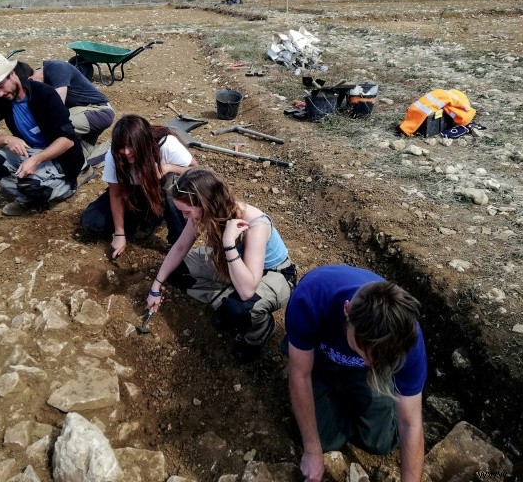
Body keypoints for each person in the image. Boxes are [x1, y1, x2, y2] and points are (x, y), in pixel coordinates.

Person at [284, 265, 427, 482]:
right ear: (347, 310)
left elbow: (410, 422)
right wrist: (312, 451)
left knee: (380, 442)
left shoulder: (406, 339)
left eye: (378, 358)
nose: (368, 362)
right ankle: (335, 402)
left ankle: (347, 404)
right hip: (319, 363)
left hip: (365, 377)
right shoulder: (311, 297)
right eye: (363, 350)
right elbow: (300, 375)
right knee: (323, 442)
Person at [147, 167, 297, 363]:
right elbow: (181, 246)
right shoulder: (203, 213)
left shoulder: (255, 225)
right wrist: (156, 286)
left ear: (205, 204)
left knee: (238, 309)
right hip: (230, 262)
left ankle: (259, 332)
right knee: (175, 271)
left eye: (186, 212)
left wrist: (228, 243)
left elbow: (248, 290)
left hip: (274, 274)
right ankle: (224, 298)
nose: (185, 217)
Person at [0, 52, 85, 217]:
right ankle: (27, 197)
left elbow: (67, 140)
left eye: (0, 86)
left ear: (12, 74)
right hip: (31, 152)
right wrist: (6, 139)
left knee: (30, 184)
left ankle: (66, 187)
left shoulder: (45, 94)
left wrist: (35, 160)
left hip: (60, 157)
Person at [80, 114, 196, 257]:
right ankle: (145, 220)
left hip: (160, 191)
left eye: (131, 146)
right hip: (133, 192)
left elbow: (196, 170)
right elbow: (116, 194)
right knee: (91, 221)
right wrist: (119, 233)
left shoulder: (166, 144)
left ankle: (177, 240)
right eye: (122, 147)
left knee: (171, 184)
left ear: (143, 142)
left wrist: (168, 167)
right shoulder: (115, 155)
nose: (126, 152)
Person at [26, 59, 115, 164]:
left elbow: (57, 107)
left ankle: (117, 149)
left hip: (99, 112)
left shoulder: (57, 68)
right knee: (76, 160)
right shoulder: (47, 78)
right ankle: (112, 152)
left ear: (30, 79)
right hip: (85, 115)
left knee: (54, 125)